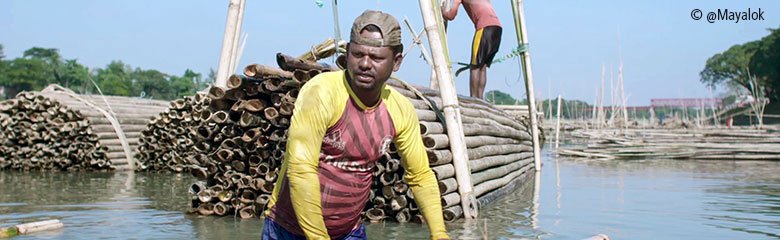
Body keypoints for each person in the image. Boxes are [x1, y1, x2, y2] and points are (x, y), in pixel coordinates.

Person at [262, 10, 450, 240]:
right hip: (289, 230)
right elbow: (301, 170)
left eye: (377, 58)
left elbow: (420, 175)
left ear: (397, 61)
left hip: (348, 232)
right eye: (357, 54)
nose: (365, 64)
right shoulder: (322, 92)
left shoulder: (399, 109)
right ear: (347, 53)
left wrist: (440, 234)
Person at [442, 0, 502, 99]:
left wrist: (443, 12)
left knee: (475, 66)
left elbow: (451, 15)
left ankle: (473, 98)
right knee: (482, 66)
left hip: (485, 27)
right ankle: (480, 98)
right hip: (497, 28)